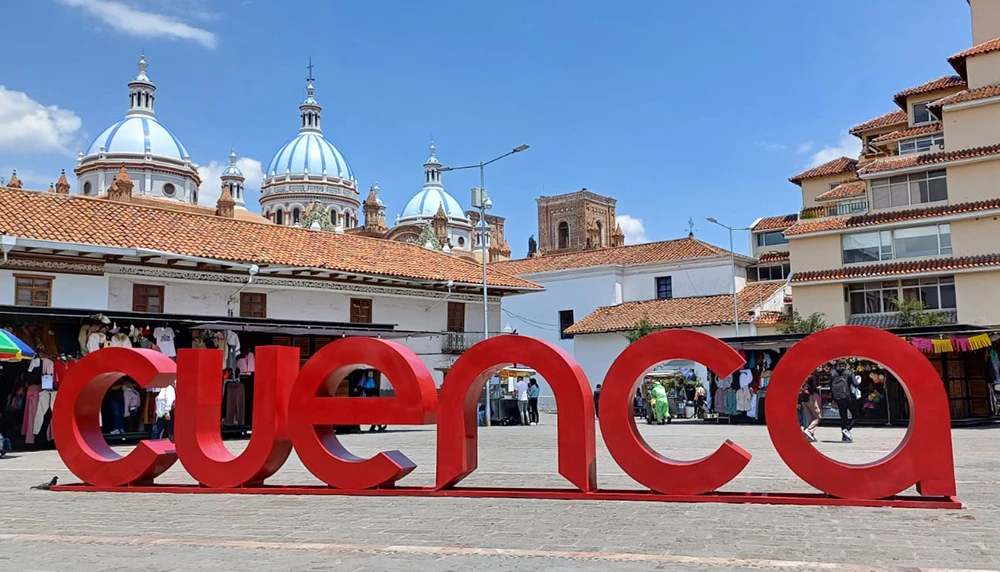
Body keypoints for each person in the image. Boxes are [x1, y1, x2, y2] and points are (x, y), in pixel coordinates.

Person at [830, 360, 860, 442]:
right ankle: (847, 429)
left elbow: (830, 387)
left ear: (838, 365)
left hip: (838, 398)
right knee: (855, 416)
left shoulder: (833, 374)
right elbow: (856, 384)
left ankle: (844, 437)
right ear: (846, 365)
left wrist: (833, 399)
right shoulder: (849, 373)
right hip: (848, 397)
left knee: (843, 417)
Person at [801, 375, 821, 442]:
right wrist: (818, 388)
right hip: (810, 398)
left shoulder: (801, 377)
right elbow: (813, 388)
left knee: (810, 418)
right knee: (817, 417)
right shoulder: (812, 377)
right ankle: (809, 431)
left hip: (803, 399)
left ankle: (810, 435)